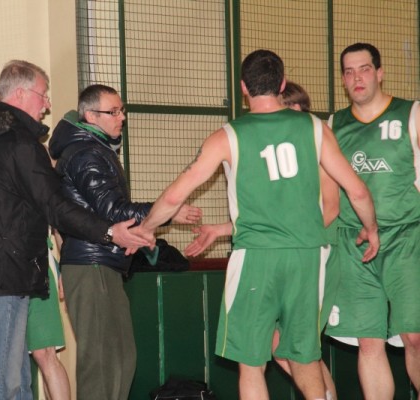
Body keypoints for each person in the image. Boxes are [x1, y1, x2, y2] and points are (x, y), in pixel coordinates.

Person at [131, 49, 379, 400]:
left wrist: (147, 228)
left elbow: (174, 197)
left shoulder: (227, 136)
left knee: (251, 364)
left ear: (244, 88)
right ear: (282, 84)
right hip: (308, 257)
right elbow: (357, 190)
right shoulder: (315, 128)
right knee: (305, 356)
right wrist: (371, 229)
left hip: (256, 257)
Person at [0, 60, 150, 400]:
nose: (47, 105)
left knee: (16, 377)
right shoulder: (19, 144)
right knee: (0, 379)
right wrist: (109, 232)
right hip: (7, 271)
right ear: (20, 94)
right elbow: (55, 206)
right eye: (43, 95)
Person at [184, 80, 340, 400]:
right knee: (287, 349)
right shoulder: (278, 151)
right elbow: (270, 220)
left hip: (316, 254)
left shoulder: (315, 144)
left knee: (299, 351)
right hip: (287, 252)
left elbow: (330, 208)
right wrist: (222, 229)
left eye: (294, 112)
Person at [48, 84, 202, 400]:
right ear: (90, 116)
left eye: (122, 110)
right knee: (101, 362)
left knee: (121, 358)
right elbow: (114, 211)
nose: (122, 117)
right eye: (113, 112)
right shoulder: (86, 154)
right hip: (91, 264)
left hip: (105, 263)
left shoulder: (96, 150)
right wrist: (166, 211)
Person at [0, 84, 72, 400]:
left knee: (43, 354)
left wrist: (64, 265)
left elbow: (54, 210)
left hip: (30, 262)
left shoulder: (26, 149)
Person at [324, 42, 420, 399]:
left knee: (415, 336)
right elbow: (326, 196)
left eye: (364, 69)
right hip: (354, 242)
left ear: (380, 73)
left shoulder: (411, 114)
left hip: (407, 238)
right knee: (368, 341)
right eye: (348, 72)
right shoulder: (333, 125)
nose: (356, 78)